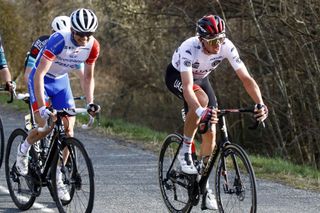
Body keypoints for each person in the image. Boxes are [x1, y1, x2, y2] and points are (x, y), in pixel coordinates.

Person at [165, 15, 268, 210]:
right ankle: (185, 150)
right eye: (213, 41)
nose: (218, 45)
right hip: (178, 77)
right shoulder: (189, 47)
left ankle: (203, 186)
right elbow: (187, 88)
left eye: (221, 39)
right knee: (202, 101)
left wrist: (260, 103)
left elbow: (246, 78)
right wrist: (200, 110)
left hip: (202, 81)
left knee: (211, 134)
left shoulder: (226, 46)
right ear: (201, 39)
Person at [16, 8, 100, 201]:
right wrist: (43, 108)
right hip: (41, 80)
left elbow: (88, 77)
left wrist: (90, 103)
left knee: (69, 131)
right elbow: (39, 74)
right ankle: (23, 149)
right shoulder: (59, 40)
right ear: (72, 30)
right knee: (45, 126)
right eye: (81, 34)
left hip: (61, 82)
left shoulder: (93, 46)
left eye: (89, 34)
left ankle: (59, 174)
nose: (85, 38)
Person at [23, 15, 84, 89]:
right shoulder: (42, 41)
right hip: (38, 77)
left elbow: (83, 75)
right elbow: (28, 74)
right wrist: (32, 91)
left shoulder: (75, 48)